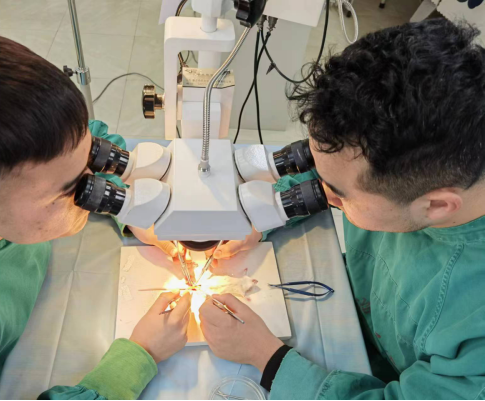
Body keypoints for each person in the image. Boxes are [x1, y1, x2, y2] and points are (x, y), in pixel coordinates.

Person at [200, 18, 485, 400]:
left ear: (436, 205)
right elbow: (338, 170)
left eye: (338, 193)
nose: (324, 190)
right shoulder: (438, 159)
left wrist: (266, 358)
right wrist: (262, 216)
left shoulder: (474, 326)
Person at [0, 27, 192, 399]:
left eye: (92, 160)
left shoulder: (6, 181)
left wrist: (134, 208)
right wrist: (139, 355)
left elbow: (79, 147)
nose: (95, 180)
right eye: (76, 189)